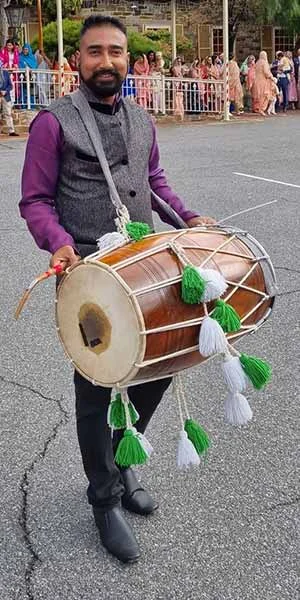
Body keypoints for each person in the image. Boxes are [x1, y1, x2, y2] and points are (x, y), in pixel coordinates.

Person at [19, 15, 216, 564]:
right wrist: (57, 242)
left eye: (117, 52)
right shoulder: (52, 123)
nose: (107, 61)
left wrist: (188, 219)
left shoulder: (142, 119)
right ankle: (104, 498)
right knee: (96, 391)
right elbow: (34, 200)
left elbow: (154, 185)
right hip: (87, 279)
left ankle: (123, 454)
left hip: (142, 267)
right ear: (77, 60)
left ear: (128, 59)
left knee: (161, 364)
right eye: (95, 52)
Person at [251, 51, 273, 116]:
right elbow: (266, 72)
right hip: (263, 81)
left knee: (258, 95)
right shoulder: (264, 63)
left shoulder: (257, 62)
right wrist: (271, 77)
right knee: (264, 96)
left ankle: (257, 108)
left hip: (256, 80)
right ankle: (262, 109)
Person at [0, 59, 19, 136]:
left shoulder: (5, 73)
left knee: (8, 113)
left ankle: (11, 131)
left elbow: (10, 86)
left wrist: (5, 91)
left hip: (5, 95)